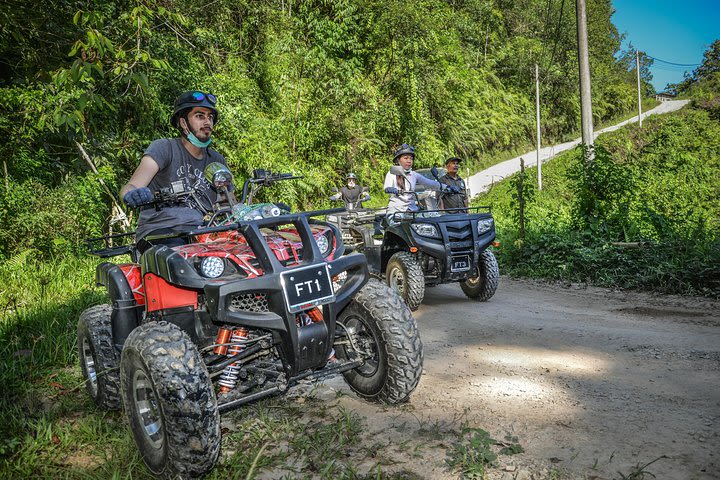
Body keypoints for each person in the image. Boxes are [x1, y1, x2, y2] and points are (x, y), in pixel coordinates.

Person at [120, 91, 230, 252]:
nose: (207, 122)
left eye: (210, 117)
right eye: (200, 116)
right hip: (161, 232)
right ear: (183, 123)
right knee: (186, 259)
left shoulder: (217, 160)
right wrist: (132, 195)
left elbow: (229, 204)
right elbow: (131, 186)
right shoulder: (164, 148)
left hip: (202, 231)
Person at [383, 143, 458, 220]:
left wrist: (448, 187)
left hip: (412, 211)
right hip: (396, 211)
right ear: (398, 160)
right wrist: (391, 189)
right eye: (406, 158)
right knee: (398, 228)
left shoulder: (414, 175)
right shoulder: (392, 173)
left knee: (429, 223)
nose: (409, 161)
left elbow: (430, 183)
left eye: (411, 158)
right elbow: (387, 187)